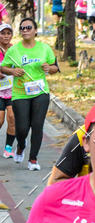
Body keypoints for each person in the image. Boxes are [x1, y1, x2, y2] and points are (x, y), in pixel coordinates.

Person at [0, 17, 59, 170]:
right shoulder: (14, 50)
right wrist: (12, 71)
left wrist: (49, 68)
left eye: (28, 27)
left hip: (40, 92)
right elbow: (3, 67)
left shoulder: (44, 48)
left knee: (37, 125)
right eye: (22, 28)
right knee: (22, 128)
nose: (25, 30)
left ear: (35, 31)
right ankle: (20, 145)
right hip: (20, 93)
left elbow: (55, 67)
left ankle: (33, 159)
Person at [0, 22, 16, 159]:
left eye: (8, 33)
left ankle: (8, 148)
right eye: (3, 33)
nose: (6, 36)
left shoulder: (15, 50)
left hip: (12, 91)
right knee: (0, 121)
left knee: (12, 118)